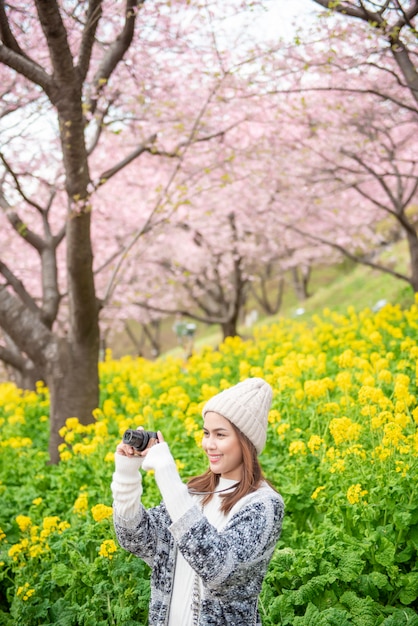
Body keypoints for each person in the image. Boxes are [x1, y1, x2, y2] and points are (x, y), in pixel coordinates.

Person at [111, 377, 285, 626]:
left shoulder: (264, 505)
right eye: (206, 433)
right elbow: (137, 541)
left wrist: (167, 475)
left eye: (220, 435)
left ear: (246, 441)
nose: (208, 445)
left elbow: (219, 571)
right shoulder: (195, 493)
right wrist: (127, 472)